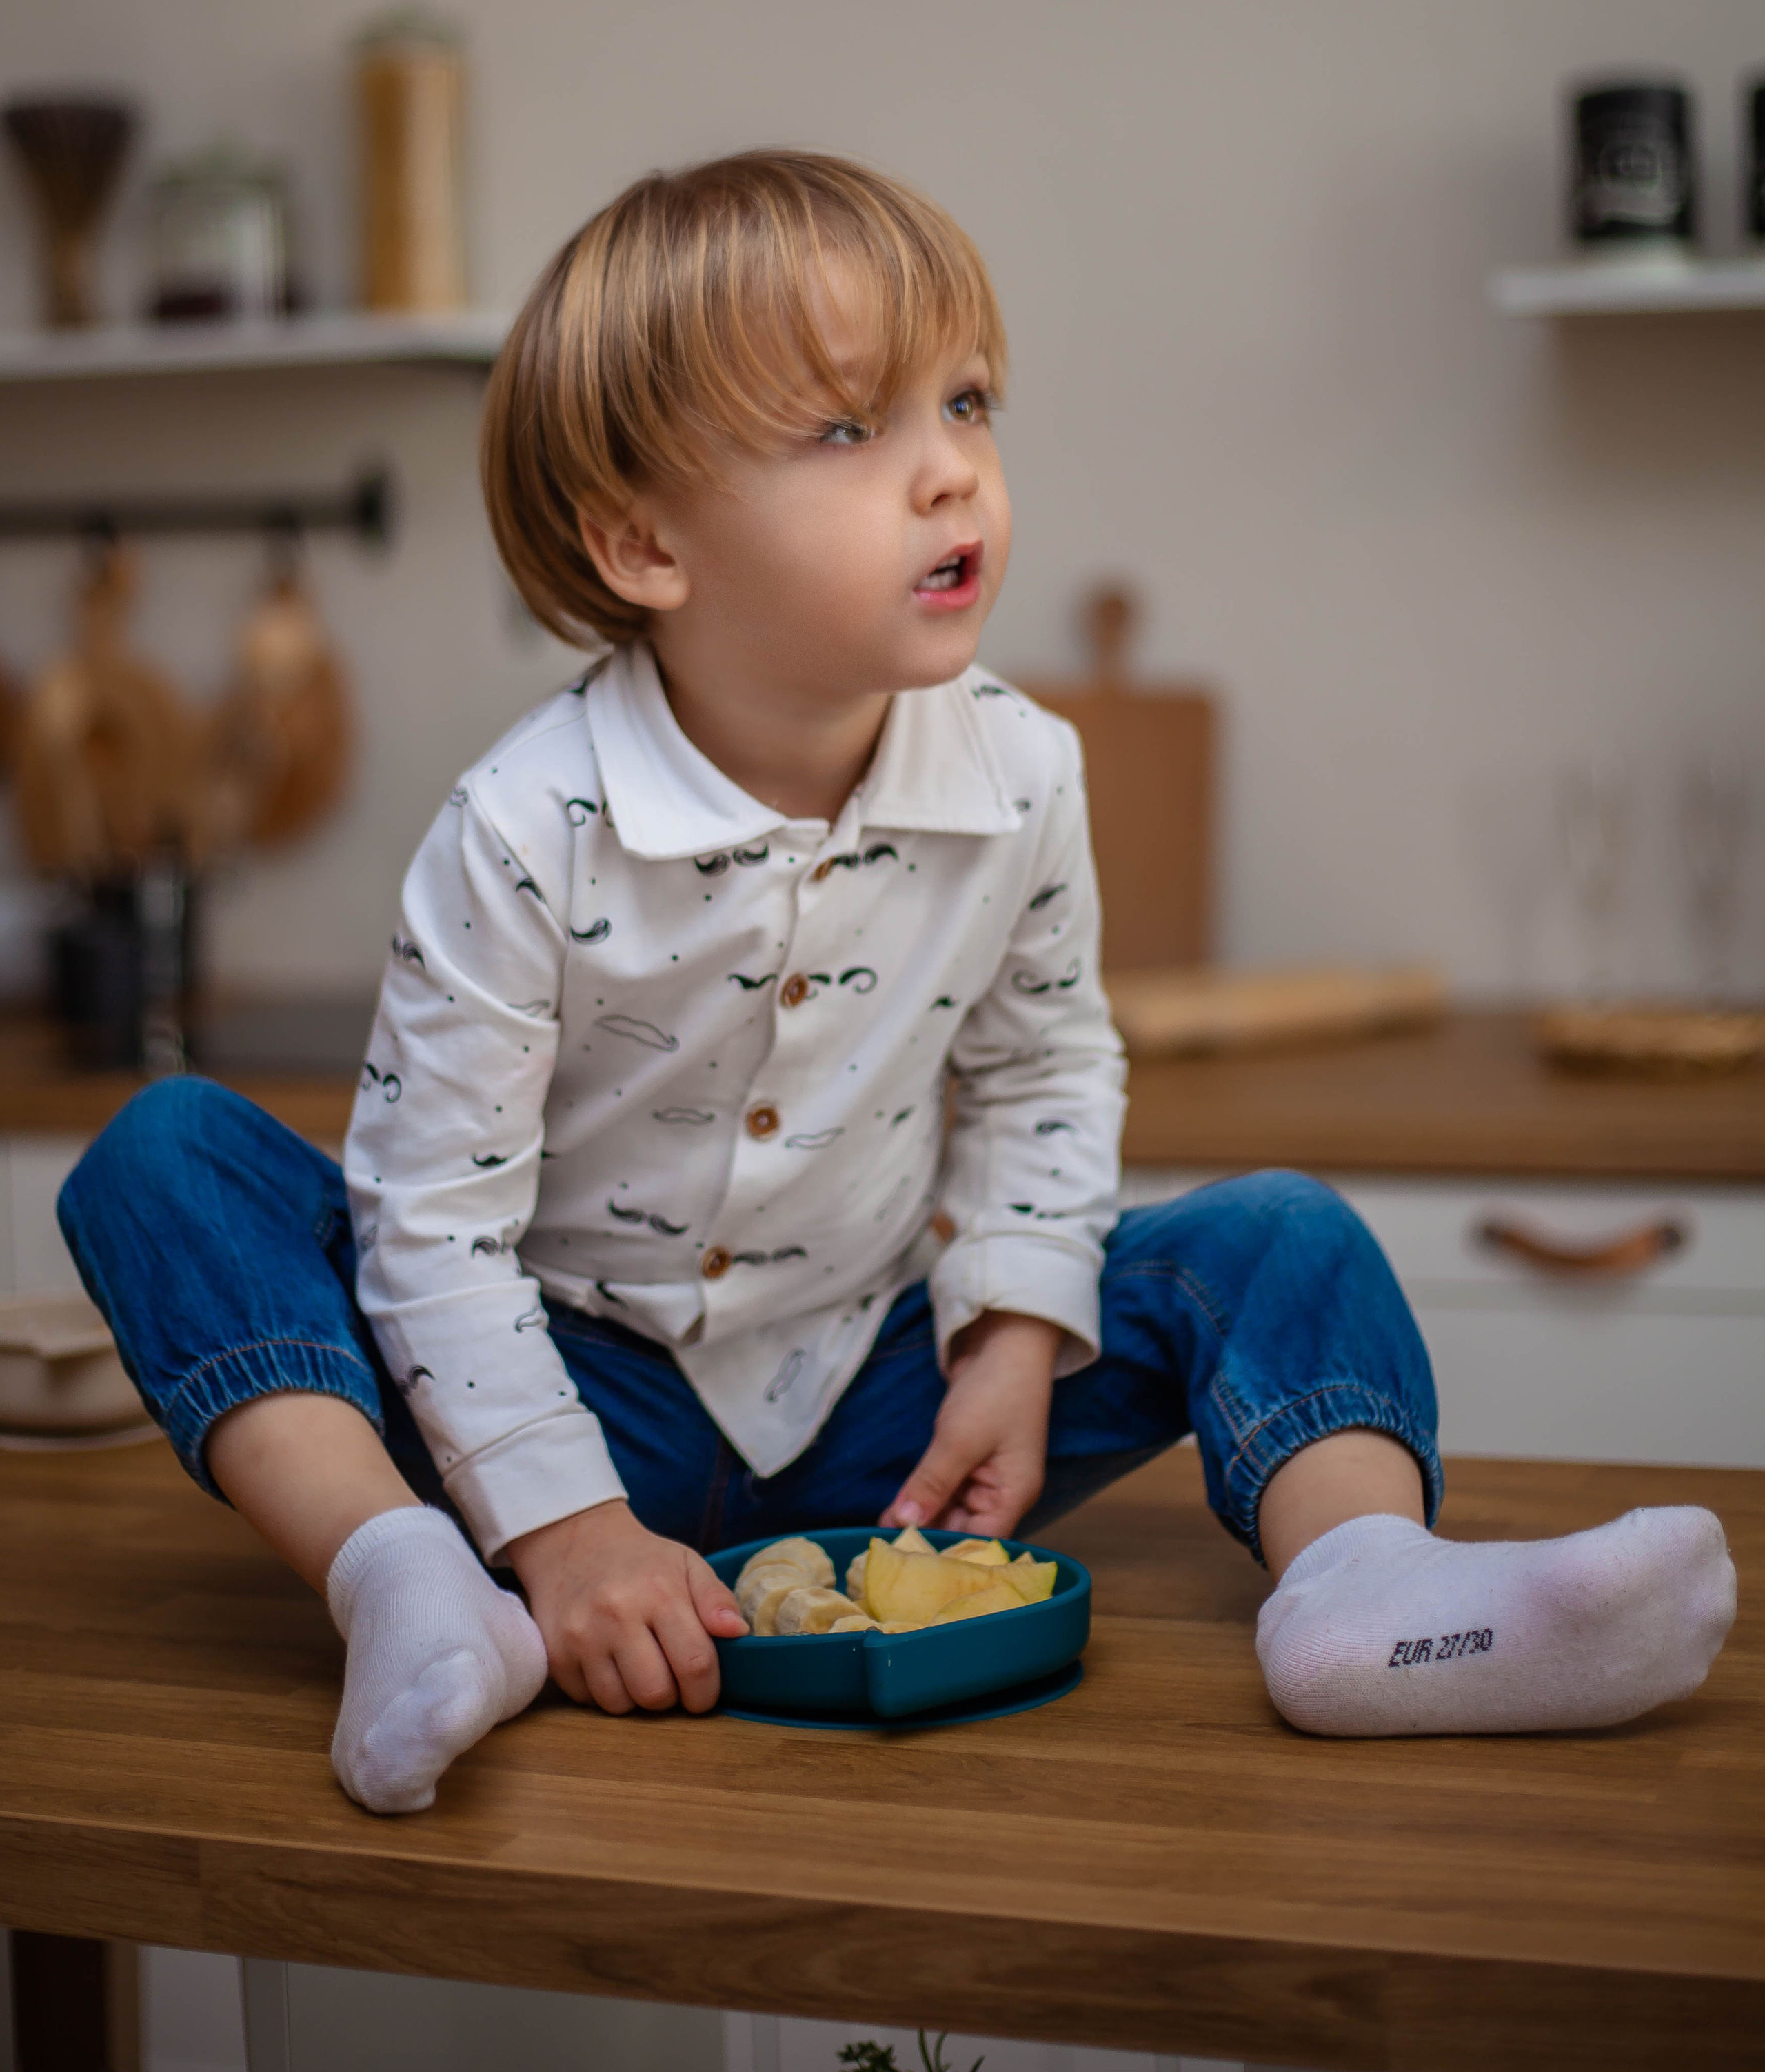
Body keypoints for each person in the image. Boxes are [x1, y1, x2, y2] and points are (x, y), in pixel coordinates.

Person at [60, 152, 1735, 1815]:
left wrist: (1010, 1334)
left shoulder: (1022, 772)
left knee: (1281, 1233)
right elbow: (434, 1225)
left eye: (968, 404)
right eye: (852, 430)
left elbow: (1041, 1071)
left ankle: (1363, 1591)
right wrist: (562, 1529)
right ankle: (405, 1579)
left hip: (881, 1422)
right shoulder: (519, 828)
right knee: (165, 1162)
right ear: (644, 541)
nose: (952, 476)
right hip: (546, 1397)